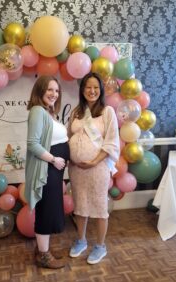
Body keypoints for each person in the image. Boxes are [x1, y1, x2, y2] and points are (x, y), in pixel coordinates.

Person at [68, 72, 120, 264]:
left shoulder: (107, 112)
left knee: (99, 206)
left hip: (97, 168)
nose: (92, 91)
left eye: (95, 87)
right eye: (88, 87)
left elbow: (111, 142)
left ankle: (100, 246)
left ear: (101, 90)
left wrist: (94, 161)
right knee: (80, 205)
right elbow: (68, 136)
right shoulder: (76, 112)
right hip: (76, 169)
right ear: (82, 90)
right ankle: (81, 241)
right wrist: (71, 157)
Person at [24, 75, 69, 269]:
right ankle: (43, 255)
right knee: (46, 210)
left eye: (57, 91)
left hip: (54, 169)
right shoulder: (37, 111)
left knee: (49, 208)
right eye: (49, 89)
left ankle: (43, 249)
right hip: (47, 168)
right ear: (40, 90)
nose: (54, 94)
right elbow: (32, 144)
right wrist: (54, 159)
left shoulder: (48, 112)